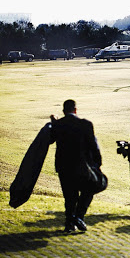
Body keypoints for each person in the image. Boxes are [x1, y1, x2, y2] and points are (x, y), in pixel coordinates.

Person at [50, 99, 102, 233]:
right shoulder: (86, 124)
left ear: (63, 111)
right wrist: (97, 164)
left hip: (63, 166)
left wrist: (54, 123)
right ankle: (79, 216)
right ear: (75, 110)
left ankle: (69, 223)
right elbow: (94, 146)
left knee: (69, 196)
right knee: (89, 189)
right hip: (82, 166)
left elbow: (50, 139)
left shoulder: (58, 125)